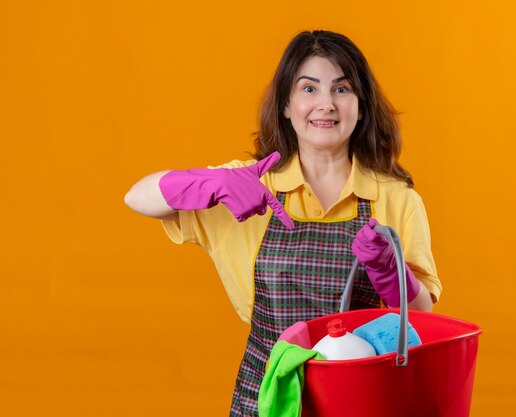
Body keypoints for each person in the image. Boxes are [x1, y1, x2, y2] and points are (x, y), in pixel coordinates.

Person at [125, 30, 442, 417]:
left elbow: (423, 318)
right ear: (286, 105)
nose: (325, 104)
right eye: (308, 89)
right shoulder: (247, 185)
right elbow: (137, 197)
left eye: (341, 90)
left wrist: (391, 272)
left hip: (360, 394)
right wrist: (211, 183)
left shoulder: (397, 199)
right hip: (266, 394)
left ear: (361, 106)